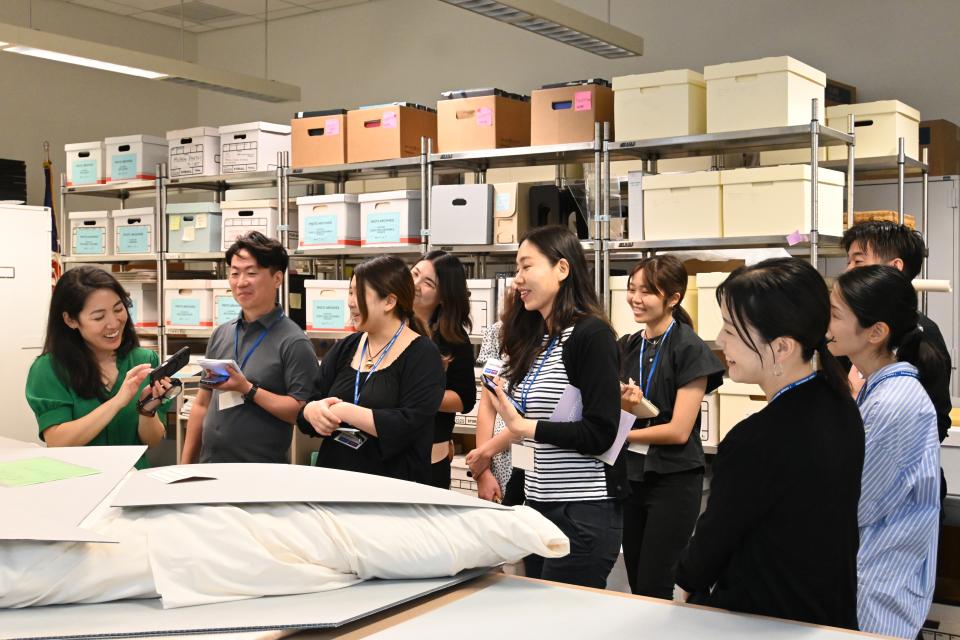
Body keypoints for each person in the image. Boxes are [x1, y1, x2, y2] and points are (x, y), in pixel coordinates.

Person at [676, 258, 864, 631]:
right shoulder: (841, 406)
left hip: (765, 621)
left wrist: (682, 584)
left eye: (731, 329)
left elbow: (712, 543)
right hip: (828, 615)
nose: (720, 340)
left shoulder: (757, 439)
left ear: (781, 347)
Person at [486, 225, 624, 589]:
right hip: (537, 508)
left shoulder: (591, 335)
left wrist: (525, 426)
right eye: (516, 268)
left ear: (562, 269)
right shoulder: (538, 339)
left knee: (563, 616)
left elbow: (601, 432)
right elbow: (530, 439)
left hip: (582, 511)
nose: (518, 279)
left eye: (527, 266)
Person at [828, 265, 941, 639]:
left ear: (876, 332)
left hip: (877, 587)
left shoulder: (894, 403)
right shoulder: (877, 389)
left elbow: (856, 502)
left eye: (835, 314)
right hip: (869, 576)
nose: (825, 323)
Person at [617, 255, 724, 598]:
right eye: (631, 289)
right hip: (631, 476)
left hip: (673, 480)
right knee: (637, 581)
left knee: (655, 584)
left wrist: (620, 436)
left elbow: (679, 430)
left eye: (646, 292)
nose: (635, 298)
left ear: (673, 298)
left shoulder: (689, 347)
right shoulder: (628, 345)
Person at [298, 255, 445, 483]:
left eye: (359, 293)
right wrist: (311, 411)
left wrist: (344, 411)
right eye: (350, 292)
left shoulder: (423, 354)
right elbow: (309, 405)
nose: (350, 302)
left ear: (389, 301)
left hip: (392, 489)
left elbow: (408, 425)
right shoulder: (346, 347)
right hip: (334, 482)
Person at [180, 232, 319, 464]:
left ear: (277, 278)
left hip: (261, 471)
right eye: (235, 273)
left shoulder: (294, 342)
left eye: (251, 273)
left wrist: (247, 389)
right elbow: (202, 403)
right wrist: (184, 466)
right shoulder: (222, 333)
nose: (241, 282)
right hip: (209, 466)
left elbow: (302, 412)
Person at [25, 266, 174, 469]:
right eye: (98, 317)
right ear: (70, 320)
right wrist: (118, 401)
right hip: (78, 481)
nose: (113, 323)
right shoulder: (49, 369)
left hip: (133, 479)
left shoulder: (144, 360)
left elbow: (152, 441)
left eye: (118, 309)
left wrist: (146, 408)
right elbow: (58, 441)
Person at [843, 221, 953, 445]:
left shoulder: (922, 333)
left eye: (858, 261)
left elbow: (937, 421)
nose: (848, 270)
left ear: (894, 268)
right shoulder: (848, 331)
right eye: (848, 261)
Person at [411, 251, 477, 489]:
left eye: (428, 283)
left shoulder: (453, 339)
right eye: (414, 274)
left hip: (429, 456)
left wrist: (417, 396)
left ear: (443, 297)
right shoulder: (388, 324)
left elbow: (464, 399)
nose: (416, 284)